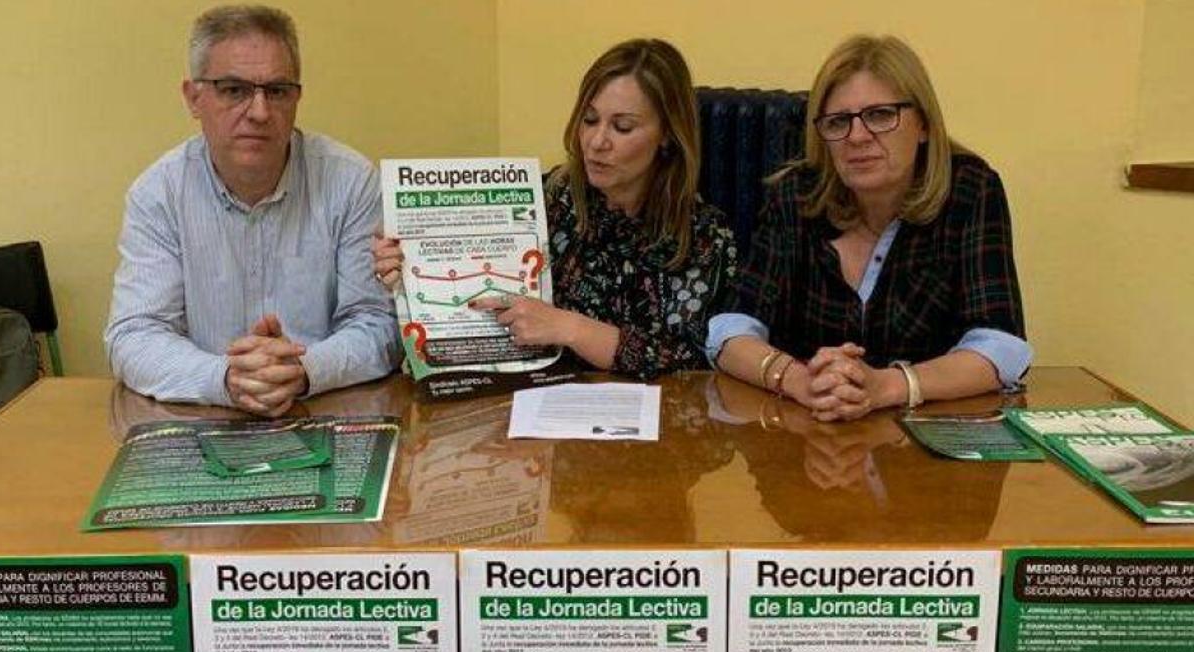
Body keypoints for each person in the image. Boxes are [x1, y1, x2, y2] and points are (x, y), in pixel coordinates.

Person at [709, 34, 1031, 421]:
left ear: (924, 124)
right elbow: (730, 330)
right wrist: (797, 380)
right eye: (838, 122)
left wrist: (887, 386)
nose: (857, 137)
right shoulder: (795, 196)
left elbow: (1000, 346)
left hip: (922, 434)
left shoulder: (970, 190)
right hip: (807, 430)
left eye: (880, 115)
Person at [374, 39, 737, 380]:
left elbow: (694, 359)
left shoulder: (703, 234)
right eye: (589, 120)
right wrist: (412, 273)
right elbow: (478, 297)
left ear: (668, 135)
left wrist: (572, 328)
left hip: (649, 417)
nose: (597, 142)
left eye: (622, 127)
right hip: (529, 399)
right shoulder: (545, 199)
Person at [105, 4, 400, 417]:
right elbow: (135, 334)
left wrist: (304, 370)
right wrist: (226, 378)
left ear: (297, 98)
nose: (259, 112)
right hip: (203, 420)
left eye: (276, 91)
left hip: (323, 414)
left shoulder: (350, 182)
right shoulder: (158, 194)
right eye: (233, 90)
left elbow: (379, 325)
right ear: (193, 98)